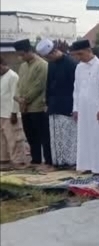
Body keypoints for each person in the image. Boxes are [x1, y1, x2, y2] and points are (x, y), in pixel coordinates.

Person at [72, 39, 99, 175]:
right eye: (76, 55)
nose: (78, 57)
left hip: (97, 109)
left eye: (80, 54)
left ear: (89, 51)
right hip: (83, 109)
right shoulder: (79, 67)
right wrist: (75, 109)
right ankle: (87, 165)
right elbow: (76, 89)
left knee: (98, 138)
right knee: (85, 137)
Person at [39, 38, 78, 168]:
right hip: (54, 105)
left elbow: (75, 87)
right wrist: (47, 102)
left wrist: (75, 107)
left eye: (48, 57)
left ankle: (70, 161)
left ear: (54, 52)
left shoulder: (71, 63)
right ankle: (58, 161)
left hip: (68, 105)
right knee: (56, 136)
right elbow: (49, 84)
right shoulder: (51, 64)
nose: (48, 59)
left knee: (68, 136)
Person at [13, 38, 51, 166]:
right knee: (30, 135)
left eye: (22, 54)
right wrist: (18, 98)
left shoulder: (42, 65)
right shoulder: (23, 66)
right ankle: (35, 160)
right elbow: (19, 84)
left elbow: (39, 86)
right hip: (24, 108)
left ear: (30, 51)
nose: (21, 57)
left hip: (37, 106)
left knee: (43, 136)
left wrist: (25, 100)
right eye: (19, 55)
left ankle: (48, 161)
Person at [0, 56, 24, 168]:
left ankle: (18, 161)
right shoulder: (1, 77)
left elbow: (16, 96)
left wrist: (14, 113)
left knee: (14, 139)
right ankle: (4, 159)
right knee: (2, 140)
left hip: (11, 114)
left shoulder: (13, 76)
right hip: (1, 113)